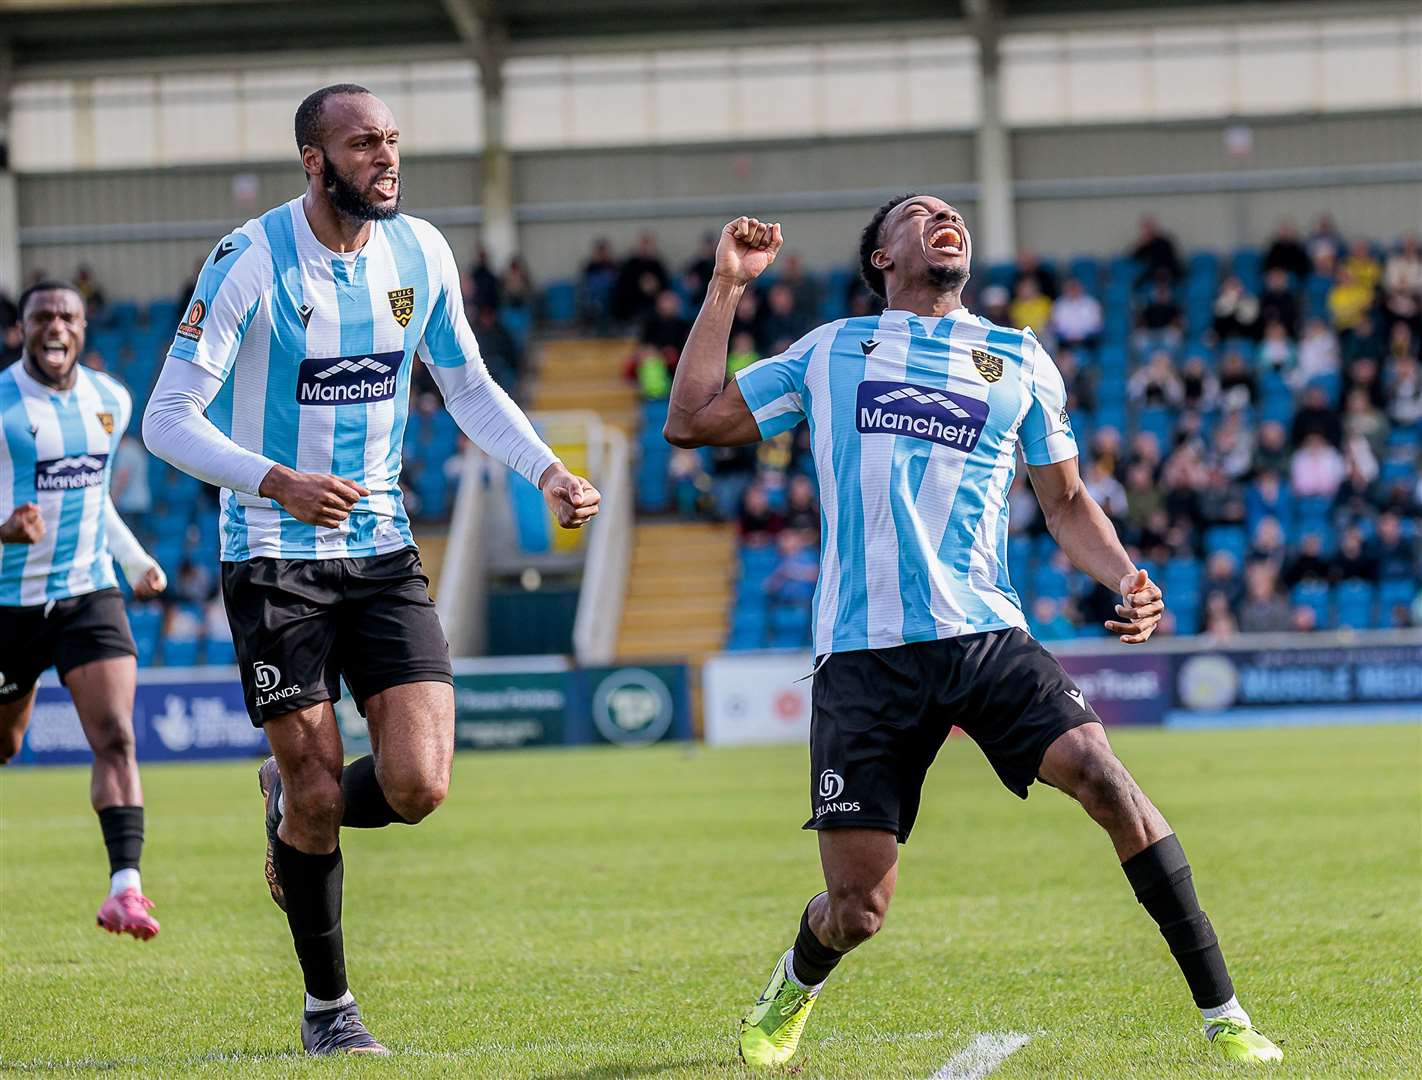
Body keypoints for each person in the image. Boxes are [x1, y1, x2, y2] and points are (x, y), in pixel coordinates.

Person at [663, 197, 1281, 1068]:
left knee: (1109, 780)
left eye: (950, 212)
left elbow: (1063, 500)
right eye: (918, 215)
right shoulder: (831, 350)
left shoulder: (1018, 358)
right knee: (857, 913)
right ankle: (793, 985)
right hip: (863, 656)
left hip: (985, 634)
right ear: (882, 257)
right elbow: (688, 420)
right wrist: (726, 286)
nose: (942, 217)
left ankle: (1226, 1016)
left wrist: (1127, 576)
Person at [141, 84, 600, 1056]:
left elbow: (466, 382)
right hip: (274, 558)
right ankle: (329, 1011)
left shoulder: (420, 251)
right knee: (316, 794)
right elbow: (167, 418)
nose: (386, 158)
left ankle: (287, 809)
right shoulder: (249, 261)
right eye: (364, 145)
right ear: (315, 161)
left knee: (419, 784)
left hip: (382, 552)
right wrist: (276, 482)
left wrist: (547, 469)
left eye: (392, 140)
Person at [0, 280, 168, 940]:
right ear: (23, 327)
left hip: (86, 592)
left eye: (67, 316)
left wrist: (133, 563)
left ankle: (124, 888)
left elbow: (95, 504)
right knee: (5, 741)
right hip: (8, 604)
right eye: (42, 316)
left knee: (117, 737)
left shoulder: (112, 401)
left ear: (82, 327)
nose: (55, 327)